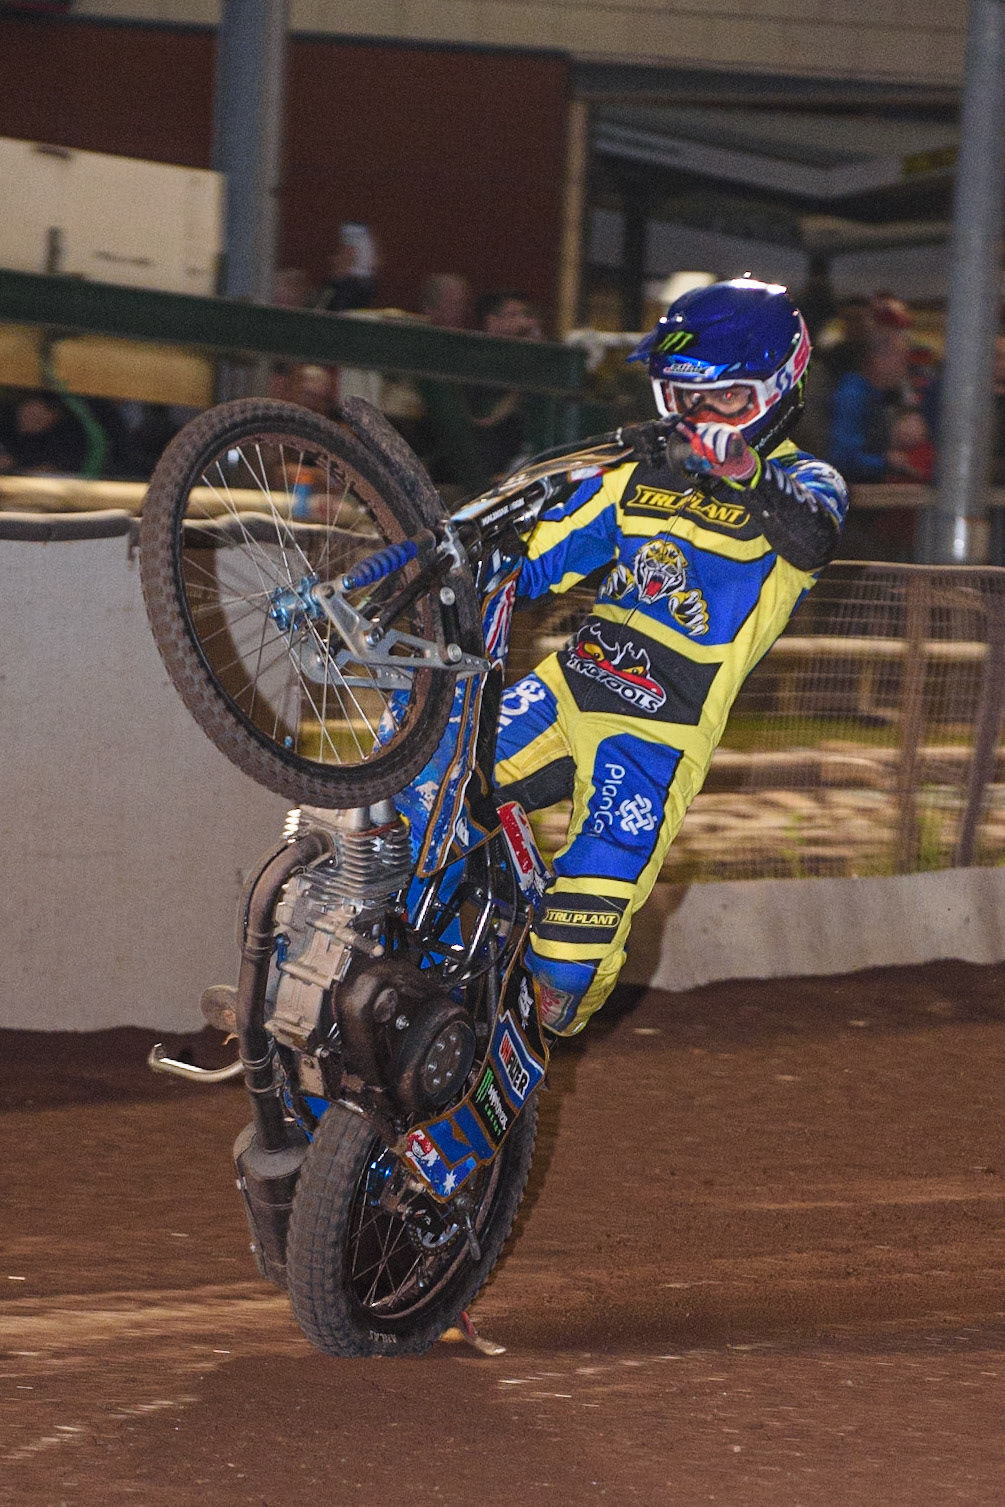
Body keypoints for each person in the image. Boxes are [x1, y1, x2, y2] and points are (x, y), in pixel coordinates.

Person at [493, 278, 848, 1036]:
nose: (699, 420)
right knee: (421, 801)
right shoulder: (636, 474)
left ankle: (507, 1055)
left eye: (722, 402)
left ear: (778, 389)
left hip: (654, 739)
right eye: (683, 399)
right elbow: (530, 559)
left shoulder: (807, 482)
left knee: (565, 971)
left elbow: (812, 536)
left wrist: (739, 469)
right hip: (563, 690)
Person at [469, 290, 543, 478]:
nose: (523, 323)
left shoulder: (532, 364)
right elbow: (484, 419)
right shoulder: (476, 362)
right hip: (484, 461)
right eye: (512, 315)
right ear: (491, 321)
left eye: (526, 315)